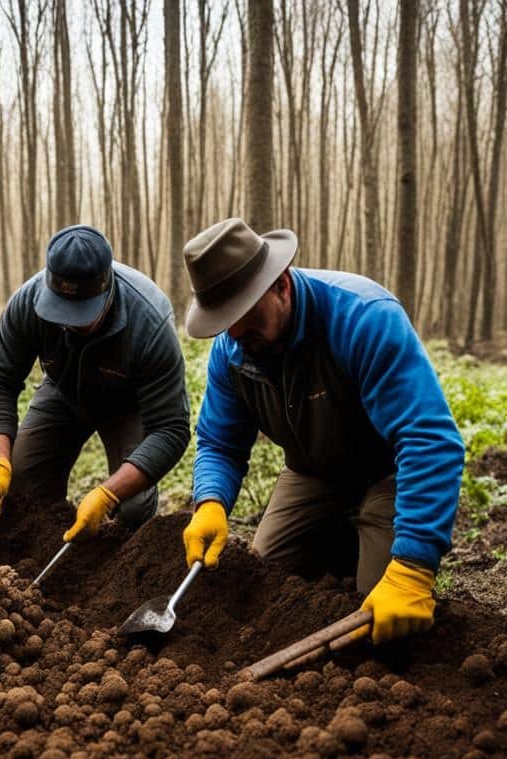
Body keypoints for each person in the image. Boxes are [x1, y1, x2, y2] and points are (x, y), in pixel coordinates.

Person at [179, 218, 465, 644]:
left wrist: (413, 567)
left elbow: (429, 441)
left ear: (282, 284)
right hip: (311, 473)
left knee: (379, 620)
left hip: (386, 473)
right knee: (263, 579)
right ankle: (344, 539)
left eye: (246, 314)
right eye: (225, 321)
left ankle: (373, 542)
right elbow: (220, 442)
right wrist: (210, 501)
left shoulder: (364, 318)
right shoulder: (233, 350)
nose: (236, 332)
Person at [0, 224, 190, 542]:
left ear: (107, 291)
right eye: (60, 311)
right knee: (21, 486)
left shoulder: (149, 323)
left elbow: (172, 428)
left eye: (81, 314)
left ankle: (114, 568)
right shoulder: (27, 303)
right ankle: (43, 550)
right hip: (62, 390)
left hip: (128, 405)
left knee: (131, 509)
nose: (68, 322)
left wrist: (108, 494)